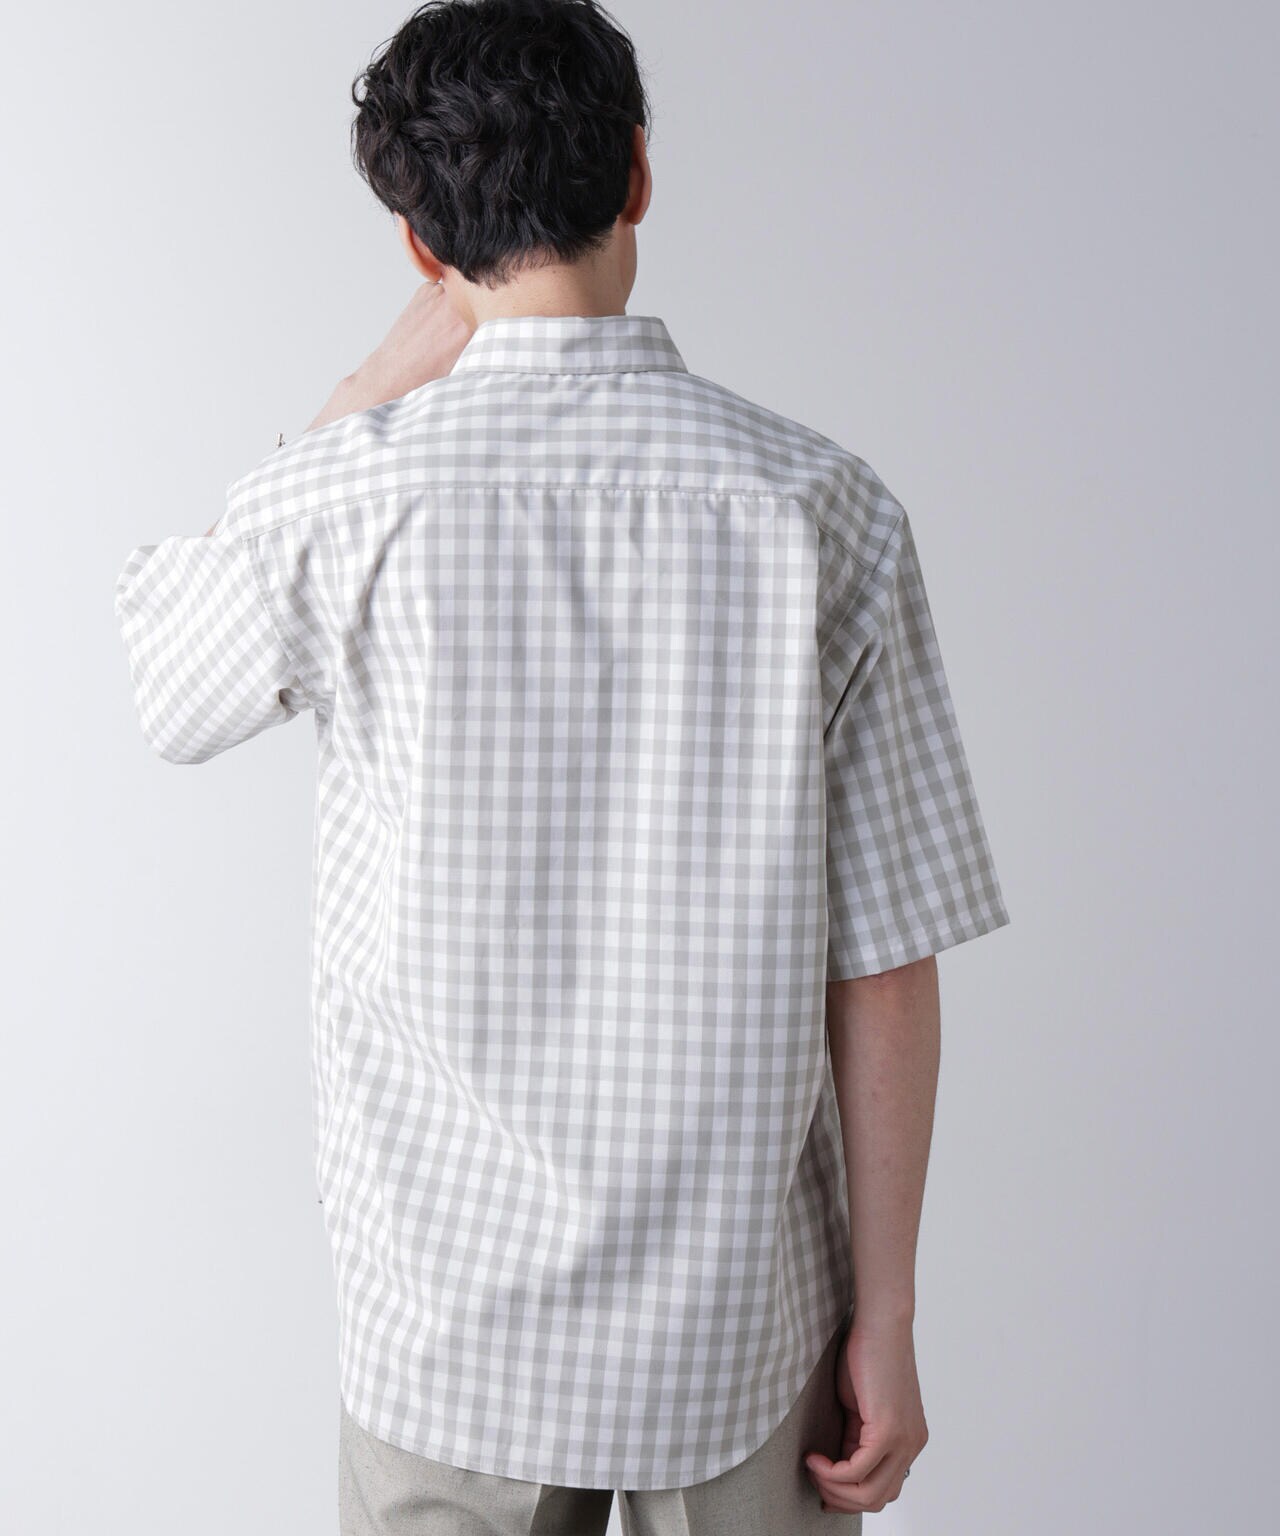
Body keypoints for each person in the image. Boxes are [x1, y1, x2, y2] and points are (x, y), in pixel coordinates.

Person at [112, 2, 1010, 1531]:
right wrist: (890, 1316)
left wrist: (361, 394)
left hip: (445, 1328)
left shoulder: (342, 501)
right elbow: (884, 964)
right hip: (742, 1328)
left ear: (419, 243)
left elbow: (170, 688)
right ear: (639, 173)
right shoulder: (823, 510)